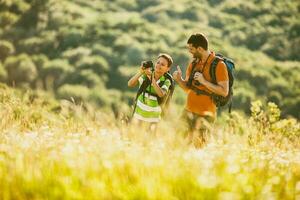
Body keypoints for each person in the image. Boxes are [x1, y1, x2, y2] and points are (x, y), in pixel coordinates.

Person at [172, 33, 229, 147]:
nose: (189, 51)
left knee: (200, 148)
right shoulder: (193, 64)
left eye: (191, 49)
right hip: (188, 110)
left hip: (206, 115)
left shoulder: (219, 65)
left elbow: (224, 91)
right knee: (177, 144)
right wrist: (179, 80)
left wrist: (204, 82)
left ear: (200, 49)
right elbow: (188, 89)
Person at [128, 53, 173, 131]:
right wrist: (141, 72)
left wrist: (152, 78)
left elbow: (161, 94)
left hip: (153, 119)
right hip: (138, 116)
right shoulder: (146, 76)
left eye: (162, 64)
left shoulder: (166, 81)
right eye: (158, 62)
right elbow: (130, 84)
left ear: (167, 68)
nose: (159, 65)